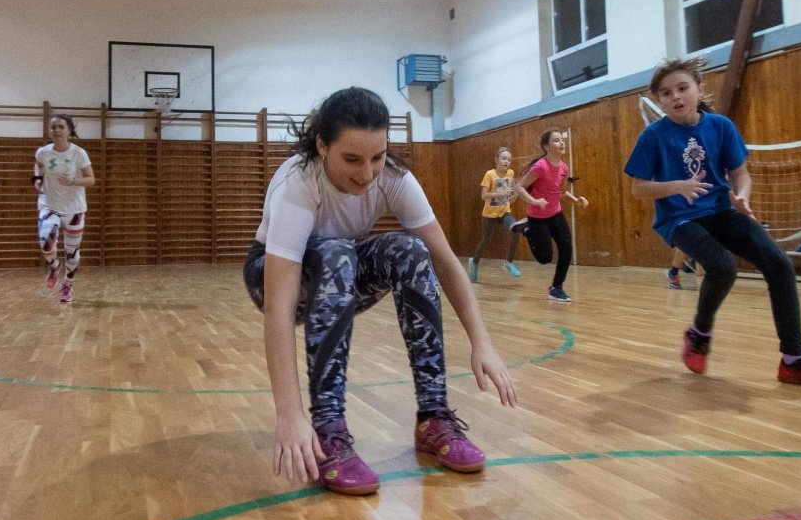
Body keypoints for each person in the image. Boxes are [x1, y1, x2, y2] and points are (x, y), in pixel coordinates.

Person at [244, 87, 517, 496]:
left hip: (340, 273)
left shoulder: (394, 178)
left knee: (412, 251)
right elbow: (278, 309)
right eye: (352, 159)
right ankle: (328, 432)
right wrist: (289, 414)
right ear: (322, 145)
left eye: (377, 156)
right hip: (273, 279)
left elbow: (445, 262)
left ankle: (434, 416)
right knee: (337, 253)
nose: (367, 173)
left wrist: (482, 342)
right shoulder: (297, 184)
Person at [623, 58, 801, 390]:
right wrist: (678, 186)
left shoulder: (721, 127)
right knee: (722, 266)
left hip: (722, 212)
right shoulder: (653, 136)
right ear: (659, 100)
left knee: (780, 265)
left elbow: (741, 175)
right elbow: (638, 188)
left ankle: (793, 361)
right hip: (680, 218)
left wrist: (742, 197)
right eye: (666, 93)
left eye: (682, 88)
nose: (676, 97)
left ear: (699, 89)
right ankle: (699, 334)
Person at [511, 128, 588, 303]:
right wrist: (535, 201)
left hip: (555, 213)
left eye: (562, 139)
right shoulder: (540, 167)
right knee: (544, 258)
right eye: (556, 140)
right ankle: (526, 229)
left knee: (566, 248)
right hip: (537, 217)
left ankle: (556, 288)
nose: (561, 143)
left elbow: (562, 192)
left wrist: (576, 201)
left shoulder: (564, 167)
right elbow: (520, 187)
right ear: (546, 147)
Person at [33, 113, 95, 304]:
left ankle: (68, 284)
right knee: (45, 242)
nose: (57, 130)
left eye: (61, 127)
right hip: (49, 204)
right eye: (53, 127)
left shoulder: (79, 153)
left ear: (69, 131)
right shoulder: (42, 152)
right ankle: (53, 265)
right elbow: (39, 167)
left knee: (72, 252)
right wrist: (37, 180)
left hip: (74, 209)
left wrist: (73, 181)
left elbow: (91, 179)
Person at [466, 146, 523, 282]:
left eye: (509, 159)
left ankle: (508, 262)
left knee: (516, 230)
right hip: (489, 215)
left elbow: (513, 187)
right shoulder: (490, 174)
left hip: (504, 212)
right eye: (504, 158)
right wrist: (500, 193)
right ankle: (474, 262)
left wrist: (514, 196)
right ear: (496, 160)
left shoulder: (510, 173)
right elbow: (484, 195)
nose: (506, 161)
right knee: (485, 241)